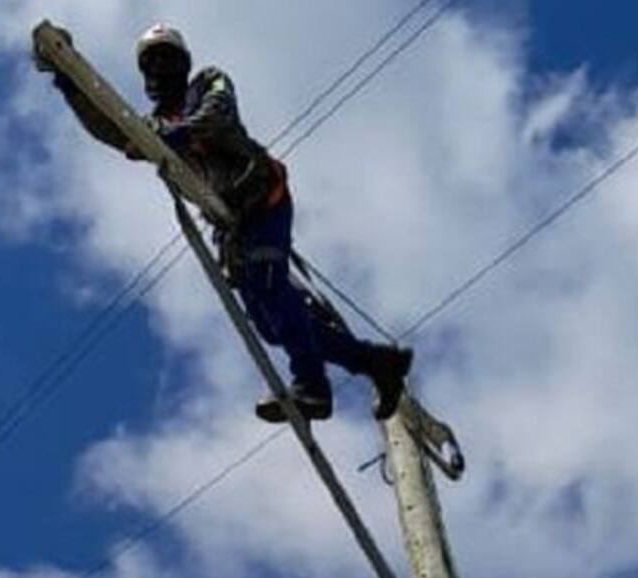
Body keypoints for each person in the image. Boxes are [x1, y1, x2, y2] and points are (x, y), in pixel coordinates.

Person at [34, 23, 412, 423]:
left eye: (167, 59)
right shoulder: (154, 127)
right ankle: (376, 362)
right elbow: (110, 129)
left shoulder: (207, 84)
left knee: (271, 287)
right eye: (152, 63)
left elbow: (219, 113)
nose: (160, 69)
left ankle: (312, 388)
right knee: (271, 325)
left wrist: (174, 136)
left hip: (262, 197)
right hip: (229, 224)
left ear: (183, 64)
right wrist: (68, 80)